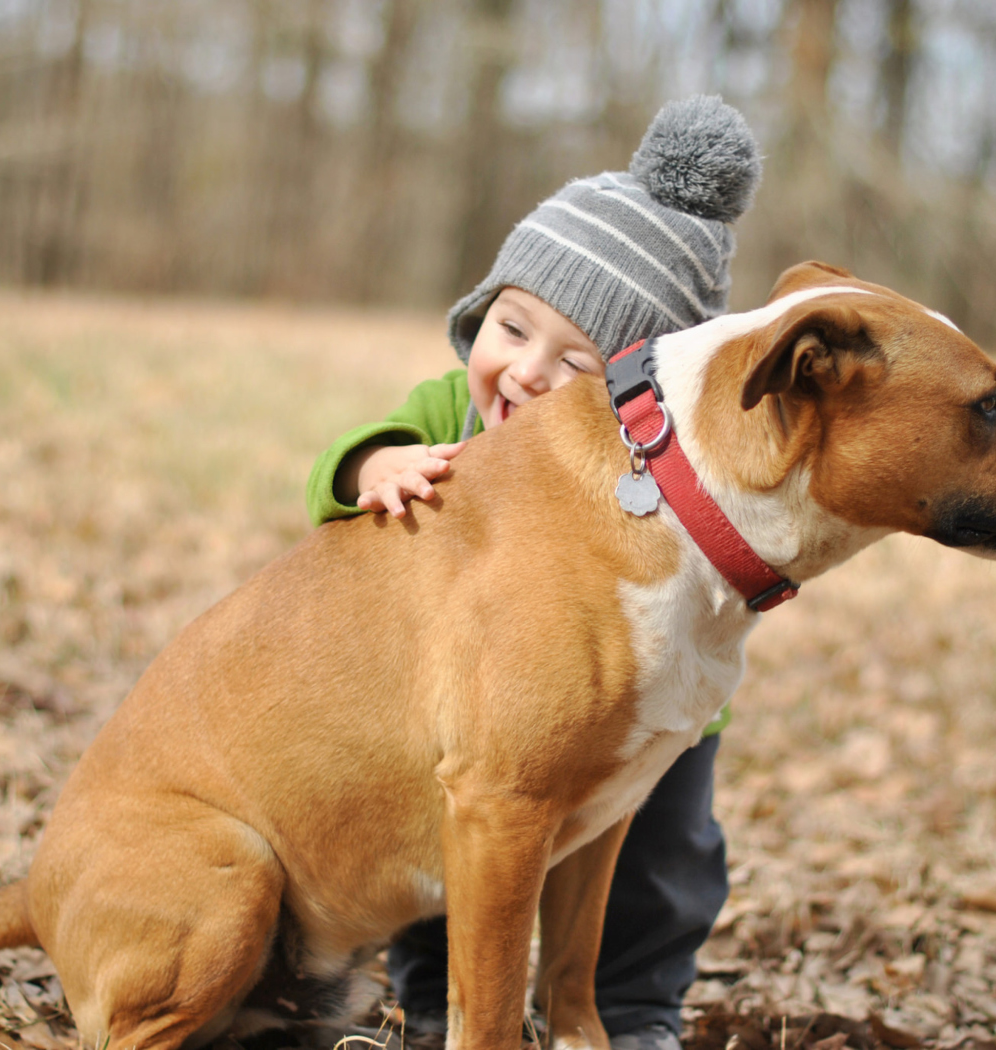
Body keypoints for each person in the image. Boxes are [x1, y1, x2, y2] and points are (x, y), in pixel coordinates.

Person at [305, 95, 761, 1050]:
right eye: (513, 331)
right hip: (462, 706)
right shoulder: (449, 416)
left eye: (577, 363)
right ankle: (440, 998)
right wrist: (375, 466)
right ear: (481, 317)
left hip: (642, 705)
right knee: (459, 835)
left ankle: (631, 1010)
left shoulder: (649, 471)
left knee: (662, 864)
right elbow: (330, 481)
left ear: (637, 395)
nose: (525, 373)